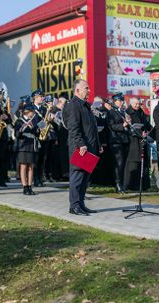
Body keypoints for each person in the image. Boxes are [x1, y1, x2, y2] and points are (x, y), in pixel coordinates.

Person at [62, 79, 100, 216]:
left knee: (85, 178)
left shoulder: (86, 105)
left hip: (89, 147)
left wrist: (98, 145)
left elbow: (92, 129)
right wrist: (80, 144)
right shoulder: (73, 105)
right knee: (77, 177)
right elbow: (73, 128)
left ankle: (81, 204)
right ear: (77, 90)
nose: (89, 91)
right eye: (86, 88)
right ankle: (74, 206)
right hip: (80, 148)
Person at [124, 97, 152, 191]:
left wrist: (150, 131)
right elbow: (128, 128)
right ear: (131, 103)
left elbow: (146, 124)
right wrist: (140, 133)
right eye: (135, 104)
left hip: (142, 140)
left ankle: (143, 185)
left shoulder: (141, 112)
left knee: (143, 163)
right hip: (133, 141)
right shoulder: (127, 112)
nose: (137, 105)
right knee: (133, 163)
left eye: (138, 104)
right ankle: (131, 185)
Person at [107, 93, 130, 193]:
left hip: (124, 140)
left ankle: (122, 183)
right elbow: (111, 126)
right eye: (119, 101)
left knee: (123, 163)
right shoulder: (111, 112)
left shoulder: (123, 111)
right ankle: (117, 184)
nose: (121, 102)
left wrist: (128, 123)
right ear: (115, 101)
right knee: (119, 163)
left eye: (122, 101)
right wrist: (123, 125)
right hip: (116, 140)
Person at [14, 104, 40, 195]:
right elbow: (17, 134)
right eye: (32, 112)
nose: (33, 114)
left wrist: (35, 129)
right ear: (27, 112)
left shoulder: (34, 121)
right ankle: (25, 187)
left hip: (31, 145)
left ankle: (30, 186)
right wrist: (22, 128)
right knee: (23, 166)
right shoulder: (19, 121)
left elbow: (37, 133)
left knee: (31, 166)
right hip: (23, 146)